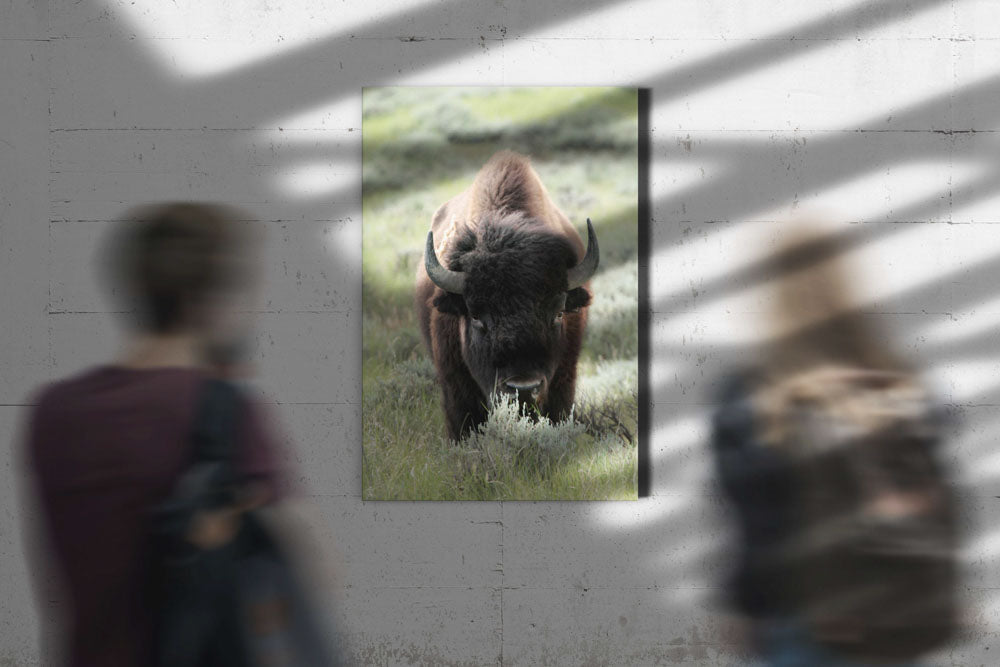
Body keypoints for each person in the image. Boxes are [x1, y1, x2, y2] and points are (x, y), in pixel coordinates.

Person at [17, 203, 292, 666]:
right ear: (205, 301)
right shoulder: (225, 412)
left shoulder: (52, 411)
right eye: (246, 290)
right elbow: (282, 600)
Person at [710, 223, 960, 666]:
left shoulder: (754, 395)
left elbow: (756, 526)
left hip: (803, 621)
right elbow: (943, 500)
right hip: (895, 615)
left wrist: (748, 608)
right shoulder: (903, 385)